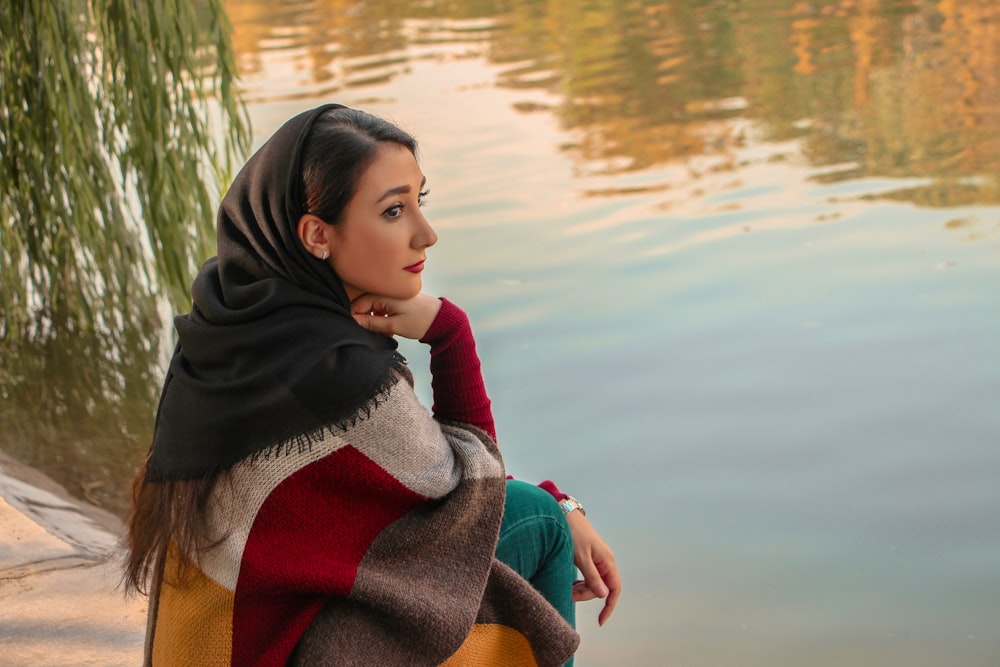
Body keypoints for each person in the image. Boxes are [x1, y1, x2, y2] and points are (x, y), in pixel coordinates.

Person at [123, 103, 620, 666]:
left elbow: (426, 477)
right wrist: (450, 334)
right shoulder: (339, 376)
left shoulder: (230, 321)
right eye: (393, 211)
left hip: (224, 641)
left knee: (531, 509)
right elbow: (470, 501)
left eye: (419, 202)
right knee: (540, 522)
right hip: (279, 649)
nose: (425, 235)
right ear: (316, 234)